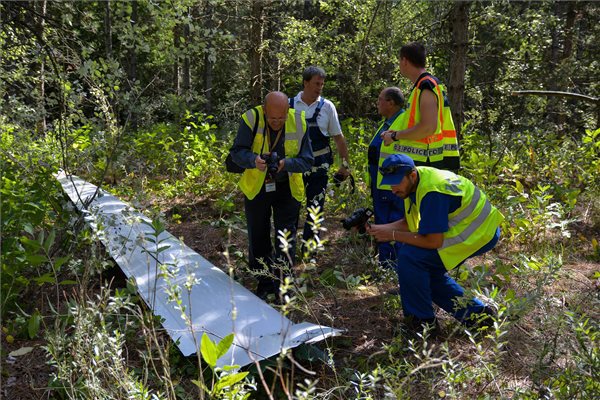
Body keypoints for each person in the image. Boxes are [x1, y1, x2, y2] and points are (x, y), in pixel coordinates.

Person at [366, 154, 503, 333]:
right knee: (424, 270)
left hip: (478, 231)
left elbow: (432, 240)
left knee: (411, 257)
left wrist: (392, 235)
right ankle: (479, 317)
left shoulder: (432, 192)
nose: (393, 189)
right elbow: (411, 223)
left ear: (412, 175)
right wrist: (378, 229)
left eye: (396, 183)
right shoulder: (415, 183)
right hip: (474, 227)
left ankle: (422, 324)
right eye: (390, 183)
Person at [229, 91, 314, 300]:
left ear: (288, 111)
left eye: (281, 118)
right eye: (272, 118)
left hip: (287, 188)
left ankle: (284, 285)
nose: (277, 122)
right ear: (264, 110)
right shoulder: (251, 118)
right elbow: (236, 152)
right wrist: (253, 160)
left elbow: (307, 161)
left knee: (286, 236)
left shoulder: (300, 121)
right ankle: (264, 282)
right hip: (257, 187)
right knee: (258, 235)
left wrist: (287, 163)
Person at [290, 66, 350, 255]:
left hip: (319, 168)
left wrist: (345, 166)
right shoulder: (290, 105)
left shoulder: (327, 106)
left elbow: (338, 138)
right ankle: (287, 251)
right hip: (294, 168)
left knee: (315, 209)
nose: (320, 88)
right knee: (290, 208)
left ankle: (310, 252)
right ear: (305, 82)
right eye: (316, 83)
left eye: (322, 84)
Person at [381, 42, 460, 171]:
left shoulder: (426, 85)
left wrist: (395, 136)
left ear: (405, 61)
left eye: (399, 61)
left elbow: (427, 128)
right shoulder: (424, 86)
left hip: (426, 164)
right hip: (428, 162)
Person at [368, 87, 407, 269]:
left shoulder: (401, 122)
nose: (378, 103)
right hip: (382, 182)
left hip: (392, 183)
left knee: (391, 221)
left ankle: (391, 266)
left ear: (390, 103)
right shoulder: (388, 122)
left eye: (380, 99)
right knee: (383, 221)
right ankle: (386, 263)